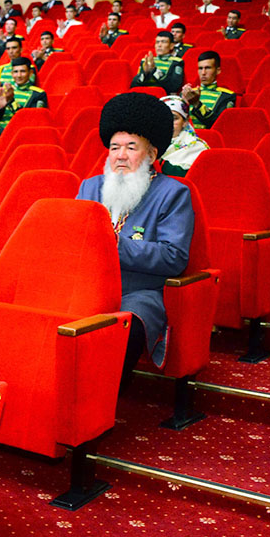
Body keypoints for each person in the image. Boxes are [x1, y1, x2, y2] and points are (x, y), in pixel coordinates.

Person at [76, 93, 193, 382]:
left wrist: (118, 246)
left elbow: (174, 257)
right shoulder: (89, 188)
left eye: (131, 147)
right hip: (86, 286)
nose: (121, 156)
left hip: (138, 292)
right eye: (115, 147)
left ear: (152, 155)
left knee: (127, 324)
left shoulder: (173, 193)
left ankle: (101, 407)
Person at [180, 51, 236, 129]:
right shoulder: (188, 93)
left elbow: (219, 124)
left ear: (218, 70)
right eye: (200, 68)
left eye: (208, 68)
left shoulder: (227, 96)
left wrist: (197, 104)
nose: (203, 73)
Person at [158, 96, 209, 177]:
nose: (168, 122)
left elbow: (193, 176)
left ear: (185, 121)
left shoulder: (196, 146)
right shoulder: (148, 142)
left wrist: (160, 162)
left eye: (174, 118)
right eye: (163, 118)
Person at [0, 57, 47, 134]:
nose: (19, 75)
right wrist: (0, 108)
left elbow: (33, 120)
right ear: (12, 73)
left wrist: (11, 101)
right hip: (0, 133)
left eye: (23, 71)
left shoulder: (38, 94)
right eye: (15, 72)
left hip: (22, 133)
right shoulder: (4, 90)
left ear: (30, 73)